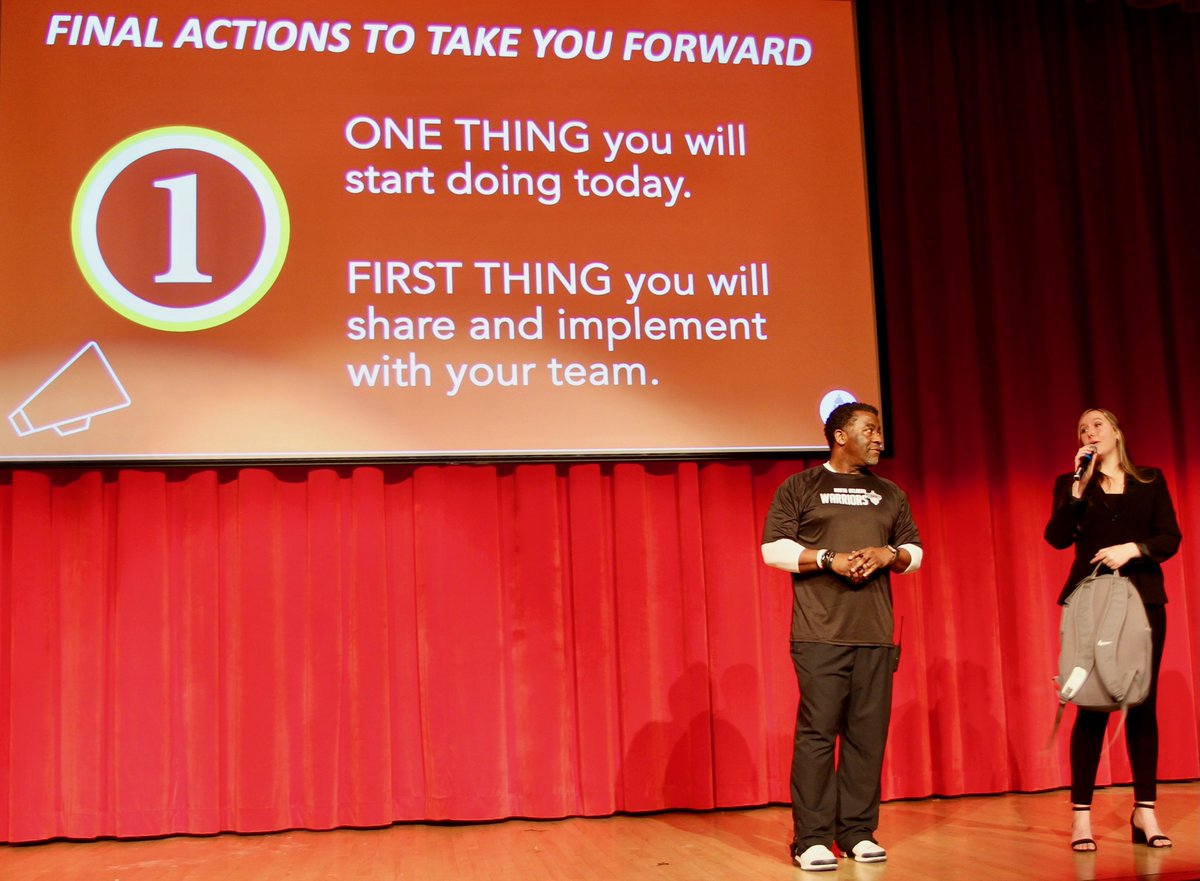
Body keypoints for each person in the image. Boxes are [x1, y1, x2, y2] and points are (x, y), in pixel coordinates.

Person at [761, 402, 923, 871]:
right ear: (839, 435)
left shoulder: (890, 493)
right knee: (817, 734)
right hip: (819, 633)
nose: (879, 439)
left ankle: (856, 833)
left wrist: (888, 554)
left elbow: (915, 550)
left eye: (879, 431)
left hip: (875, 633)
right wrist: (827, 557)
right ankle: (811, 838)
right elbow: (774, 549)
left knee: (866, 736)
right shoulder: (802, 486)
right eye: (869, 430)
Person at [1044, 407, 1181, 853]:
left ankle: (1145, 811)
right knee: (1092, 703)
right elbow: (1058, 538)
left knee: (1142, 702)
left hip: (1143, 601)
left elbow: (1169, 537)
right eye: (1082, 427)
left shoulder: (1150, 479)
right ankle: (1081, 818)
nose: (1089, 432)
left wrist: (1133, 549)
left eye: (1097, 424)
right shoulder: (1071, 484)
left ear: (1118, 432)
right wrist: (1079, 488)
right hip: (1092, 602)